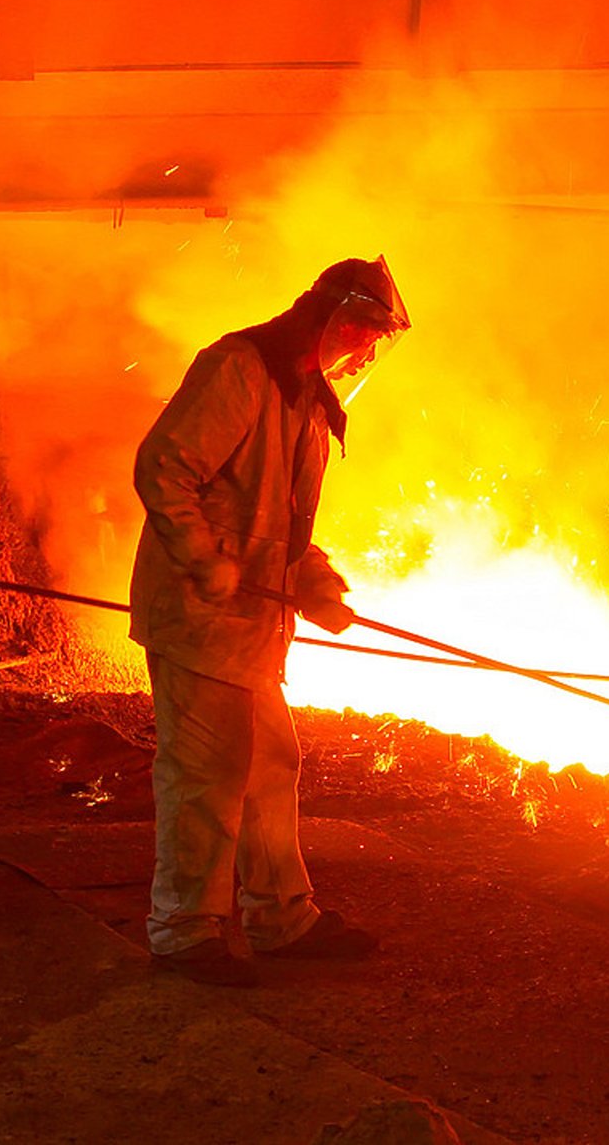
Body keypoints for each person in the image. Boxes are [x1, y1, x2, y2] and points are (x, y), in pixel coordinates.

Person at [128, 257, 410, 986]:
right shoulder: (240, 370)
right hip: (199, 617)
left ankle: (281, 918)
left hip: (250, 627)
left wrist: (314, 584)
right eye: (366, 337)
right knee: (207, 777)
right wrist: (202, 559)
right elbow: (165, 466)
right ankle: (184, 931)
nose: (367, 355)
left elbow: (279, 521)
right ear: (338, 321)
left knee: (270, 766)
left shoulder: (305, 399)